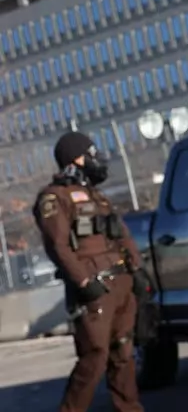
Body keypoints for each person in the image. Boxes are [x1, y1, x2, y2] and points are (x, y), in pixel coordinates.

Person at [34, 131, 150, 412]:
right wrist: (84, 282)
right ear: (75, 158)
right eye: (91, 151)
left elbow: (122, 236)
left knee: (124, 354)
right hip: (95, 290)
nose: (97, 157)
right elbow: (58, 246)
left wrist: (137, 270)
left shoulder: (97, 197)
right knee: (94, 357)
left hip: (121, 283)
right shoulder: (54, 197)